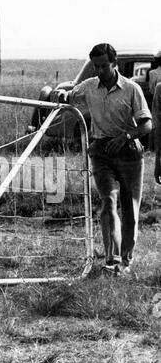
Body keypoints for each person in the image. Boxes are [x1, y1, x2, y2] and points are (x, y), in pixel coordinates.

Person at [52, 43, 152, 275]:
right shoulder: (89, 86)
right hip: (101, 152)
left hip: (128, 153)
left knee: (130, 209)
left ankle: (125, 261)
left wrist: (127, 135)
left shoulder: (132, 89)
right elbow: (69, 96)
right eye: (96, 66)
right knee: (107, 202)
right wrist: (61, 95)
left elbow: (147, 124)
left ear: (114, 63)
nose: (99, 71)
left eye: (104, 66)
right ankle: (111, 258)